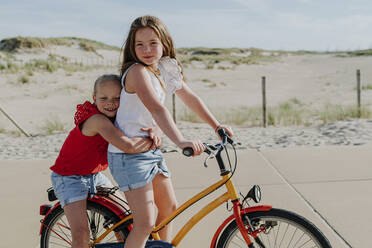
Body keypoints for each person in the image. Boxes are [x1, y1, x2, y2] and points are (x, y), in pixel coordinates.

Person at [107, 15, 233, 248]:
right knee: (144, 224)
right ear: (132, 48)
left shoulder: (164, 68)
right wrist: (181, 140)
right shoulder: (136, 72)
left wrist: (216, 125)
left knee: (169, 209)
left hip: (150, 151)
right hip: (128, 156)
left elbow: (190, 97)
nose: (146, 50)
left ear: (164, 42)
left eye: (153, 43)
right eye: (139, 44)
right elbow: (156, 108)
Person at [50, 74, 162, 248]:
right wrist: (152, 142)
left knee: (124, 218)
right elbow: (128, 146)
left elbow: (145, 120)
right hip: (68, 177)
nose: (110, 103)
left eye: (117, 98)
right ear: (94, 98)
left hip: (95, 174)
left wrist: (154, 128)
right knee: (81, 234)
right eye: (104, 98)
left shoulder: (120, 116)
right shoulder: (97, 120)